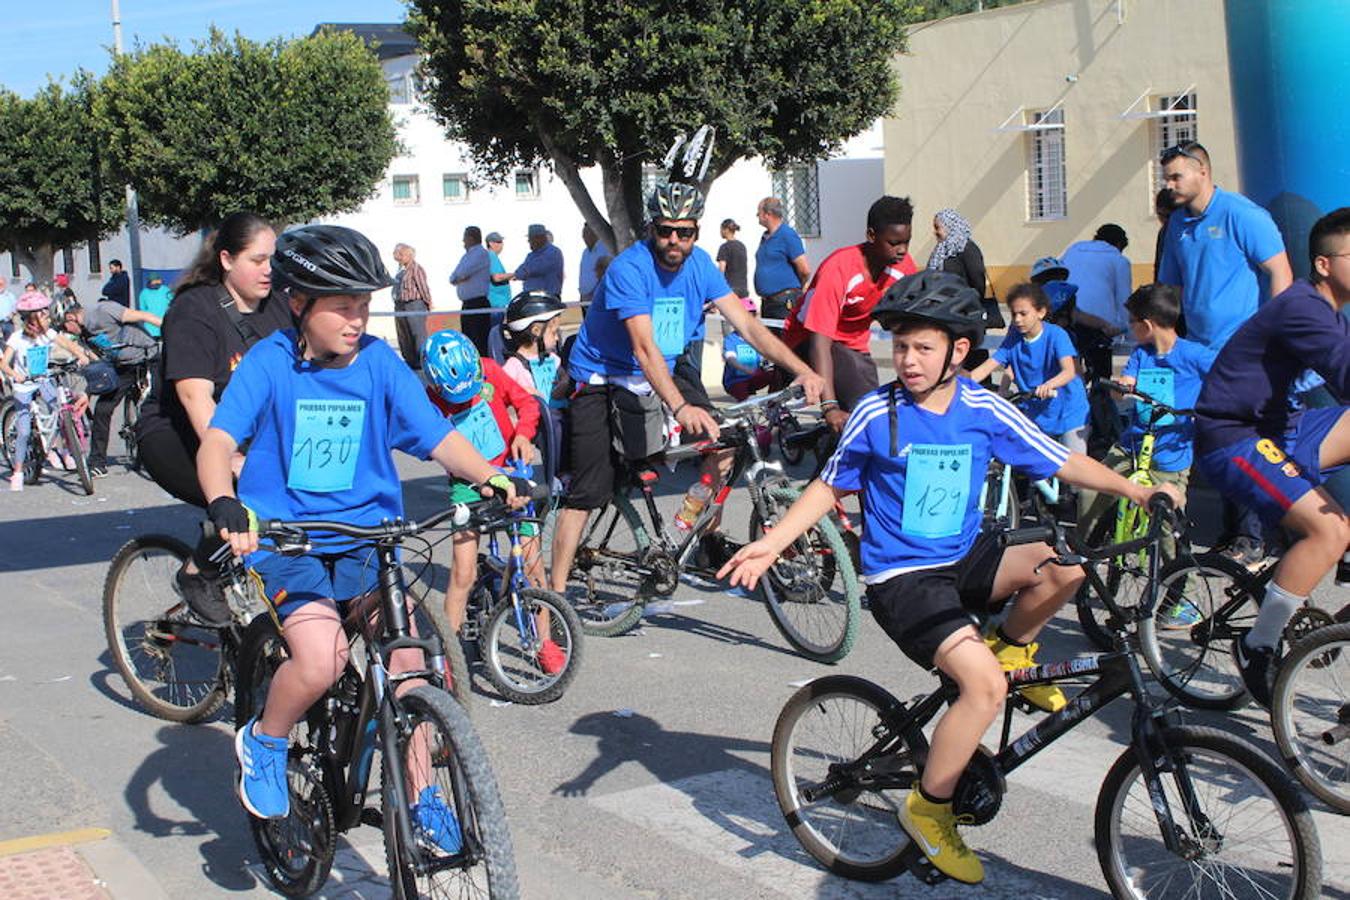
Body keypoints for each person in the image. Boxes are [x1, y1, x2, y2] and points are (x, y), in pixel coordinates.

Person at [718, 269, 1181, 884]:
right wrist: (772, 544)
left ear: (958, 352)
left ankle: (1008, 647)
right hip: (902, 578)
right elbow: (829, 486)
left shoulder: (981, 408)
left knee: (1065, 568)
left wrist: (1136, 490)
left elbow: (1061, 458)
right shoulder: (877, 413)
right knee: (984, 690)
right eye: (900, 346)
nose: (907, 360)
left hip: (965, 558)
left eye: (922, 348)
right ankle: (929, 810)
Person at [198, 224, 517, 824]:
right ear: (299, 304)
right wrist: (224, 503)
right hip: (289, 542)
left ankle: (421, 794)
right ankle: (264, 742)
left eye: (365, 306)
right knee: (322, 659)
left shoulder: (380, 363)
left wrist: (491, 476)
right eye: (342, 307)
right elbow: (217, 442)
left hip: (369, 539)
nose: (356, 320)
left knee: (411, 664)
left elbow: (438, 436)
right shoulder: (269, 364)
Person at [551, 181, 824, 600]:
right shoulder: (630, 268)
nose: (674, 240)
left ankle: (692, 534)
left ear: (697, 232)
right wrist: (678, 407)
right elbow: (643, 349)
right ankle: (550, 597)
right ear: (651, 229)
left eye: (685, 231)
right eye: (665, 230)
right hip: (603, 374)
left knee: (724, 444)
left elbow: (748, 325)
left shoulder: (699, 266)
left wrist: (802, 370)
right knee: (588, 491)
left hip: (669, 364)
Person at [1193, 207, 1350, 707]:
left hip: (1281, 429)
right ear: (1324, 264)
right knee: (1331, 529)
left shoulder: (1328, 311)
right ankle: (1256, 646)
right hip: (1233, 437)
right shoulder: (1303, 308)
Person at [133, 212, 296, 623]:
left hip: (247, 433)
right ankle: (197, 572)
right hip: (178, 434)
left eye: (271, 260)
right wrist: (231, 461)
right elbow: (195, 398)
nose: (267, 270)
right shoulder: (194, 310)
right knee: (248, 496)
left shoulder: (279, 303)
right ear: (226, 259)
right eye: (256, 260)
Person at [1158, 140, 1293, 567]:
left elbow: (1280, 273)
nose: (1170, 184)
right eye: (1167, 177)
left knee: (1246, 441)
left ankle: (1253, 539)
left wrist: (1272, 338)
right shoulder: (1178, 225)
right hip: (1200, 353)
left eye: (1177, 176)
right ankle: (1238, 533)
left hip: (1244, 353)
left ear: (1203, 172)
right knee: (1217, 442)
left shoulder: (1242, 215)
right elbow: (1172, 292)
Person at [420, 329, 564, 674]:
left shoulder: (489, 369)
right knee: (462, 572)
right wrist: (471, 474)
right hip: (467, 487)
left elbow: (527, 404)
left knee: (531, 565)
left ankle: (544, 640)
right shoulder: (429, 400)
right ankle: (448, 658)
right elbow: (428, 445)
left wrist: (524, 435)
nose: (466, 401)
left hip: (511, 474)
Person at [1077, 284, 1214, 586]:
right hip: (1133, 445)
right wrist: (1122, 386)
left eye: (1132, 323)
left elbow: (1227, 376)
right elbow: (1126, 384)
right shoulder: (1142, 354)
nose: (1130, 328)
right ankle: (1081, 560)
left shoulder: (1195, 355)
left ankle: (1183, 590)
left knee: (1165, 523)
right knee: (1090, 491)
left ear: (1147, 324)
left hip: (1170, 453)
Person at [782, 195, 917, 431]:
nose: (902, 250)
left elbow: (915, 324)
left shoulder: (904, 268)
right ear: (872, 236)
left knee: (874, 405)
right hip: (808, 339)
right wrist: (830, 406)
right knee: (866, 407)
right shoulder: (839, 268)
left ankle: (832, 453)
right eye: (894, 243)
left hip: (854, 346)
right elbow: (819, 342)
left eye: (907, 242)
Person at [969, 282, 1090, 454]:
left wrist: (1049, 385)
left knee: (1076, 472)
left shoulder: (1056, 335)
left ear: (1041, 312)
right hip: (1037, 414)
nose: (1017, 319)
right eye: (1014, 314)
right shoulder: (1013, 338)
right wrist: (959, 387)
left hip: (1069, 413)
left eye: (1023, 314)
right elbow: (987, 368)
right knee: (1035, 472)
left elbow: (1069, 371)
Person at [1, 291, 93, 490]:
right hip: (24, 385)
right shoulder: (17, 338)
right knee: (24, 431)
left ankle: (69, 451)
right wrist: (15, 375)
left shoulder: (48, 333)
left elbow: (67, 343)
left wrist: (80, 355)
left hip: (43, 380)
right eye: (42, 314)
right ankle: (17, 471)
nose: (46, 316)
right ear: (31, 319)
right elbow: (4, 363)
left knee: (60, 411)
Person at [64, 298, 161, 477]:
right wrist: (87, 393)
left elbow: (144, 316)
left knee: (159, 404)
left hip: (147, 356)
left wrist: (171, 331)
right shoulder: (84, 334)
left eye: (65, 327)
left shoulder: (103, 310)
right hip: (122, 367)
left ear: (71, 317)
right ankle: (97, 463)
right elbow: (98, 366)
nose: (67, 332)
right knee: (102, 409)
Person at [499, 291, 568, 476]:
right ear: (536, 331)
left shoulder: (553, 360)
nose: (556, 338)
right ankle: (557, 476)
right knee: (554, 424)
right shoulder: (513, 367)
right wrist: (523, 393)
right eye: (553, 333)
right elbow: (502, 400)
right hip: (531, 421)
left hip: (556, 413)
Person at [1061, 223, 1132, 376]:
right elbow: (1124, 300)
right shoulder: (1119, 260)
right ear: (1119, 244)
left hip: (1069, 316)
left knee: (1071, 371)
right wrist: (1124, 328)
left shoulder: (1073, 250)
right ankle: (1100, 394)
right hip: (1100, 324)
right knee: (1101, 373)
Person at [754, 197, 811, 330]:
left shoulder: (787, 235)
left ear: (768, 214)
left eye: (759, 212)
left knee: (785, 343)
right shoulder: (765, 237)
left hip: (784, 302)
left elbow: (804, 270)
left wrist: (797, 289)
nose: (757, 216)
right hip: (768, 302)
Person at [449, 227, 494, 358]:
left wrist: (460, 277)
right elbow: (453, 276)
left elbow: (463, 272)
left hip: (477, 302)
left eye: (465, 237)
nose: (463, 241)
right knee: (468, 340)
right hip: (467, 304)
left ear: (471, 238)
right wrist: (458, 278)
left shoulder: (480, 253)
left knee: (478, 341)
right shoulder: (466, 256)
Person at [926, 208, 988, 298]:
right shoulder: (941, 250)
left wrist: (974, 302)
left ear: (950, 226)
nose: (935, 232)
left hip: (961, 305)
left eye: (937, 227)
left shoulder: (967, 249)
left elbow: (977, 279)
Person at [721, 298, 774, 401]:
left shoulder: (757, 338)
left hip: (753, 378)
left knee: (775, 375)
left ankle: (774, 403)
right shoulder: (731, 339)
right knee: (746, 402)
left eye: (752, 316)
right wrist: (746, 369)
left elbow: (765, 357)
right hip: (735, 381)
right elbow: (731, 359)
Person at [391, 243, 432, 371]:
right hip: (402, 306)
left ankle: (421, 362)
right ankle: (411, 362)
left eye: (401, 254)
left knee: (418, 333)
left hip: (415, 304)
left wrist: (428, 302)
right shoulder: (401, 271)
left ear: (409, 255)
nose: (398, 257)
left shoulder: (416, 269)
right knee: (405, 335)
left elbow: (423, 287)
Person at [502, 224, 564, 297]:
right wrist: (517, 274)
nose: (528, 241)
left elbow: (533, 269)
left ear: (540, 238)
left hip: (548, 297)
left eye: (530, 239)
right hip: (532, 297)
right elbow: (520, 270)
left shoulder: (553, 252)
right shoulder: (531, 255)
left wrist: (515, 275)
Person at [578, 223, 612, 307]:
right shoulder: (585, 253)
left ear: (594, 234)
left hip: (598, 295)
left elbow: (605, 272)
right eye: (583, 235)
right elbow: (582, 273)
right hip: (585, 297)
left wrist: (595, 292)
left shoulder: (605, 249)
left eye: (586, 234)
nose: (584, 238)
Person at [715, 219, 749, 300]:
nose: (720, 232)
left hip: (730, 289)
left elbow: (721, 270)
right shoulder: (742, 246)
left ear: (726, 230)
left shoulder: (724, 247)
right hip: (743, 289)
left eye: (721, 229)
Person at [1153, 188, 1178, 282]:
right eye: (1159, 214)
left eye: (1167, 215)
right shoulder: (1163, 232)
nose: (1163, 219)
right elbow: (1158, 265)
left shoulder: (1185, 231)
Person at [0, 275, 17, 341]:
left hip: (8, 323)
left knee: (10, 341)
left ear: (4, 284)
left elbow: (15, 306)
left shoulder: (10, 295)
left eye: (1, 284)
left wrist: (12, 314)